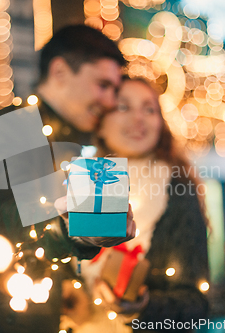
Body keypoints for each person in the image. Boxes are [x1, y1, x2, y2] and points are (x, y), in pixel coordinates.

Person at [0, 25, 136, 333]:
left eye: (115, 90)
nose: (111, 100)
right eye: (103, 85)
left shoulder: (79, 148)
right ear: (59, 71)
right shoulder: (6, 127)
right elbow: (9, 225)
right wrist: (73, 230)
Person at [60, 77, 210, 332]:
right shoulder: (79, 180)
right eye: (123, 107)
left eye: (149, 109)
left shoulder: (177, 189)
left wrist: (143, 308)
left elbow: (197, 304)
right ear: (100, 125)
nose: (138, 118)